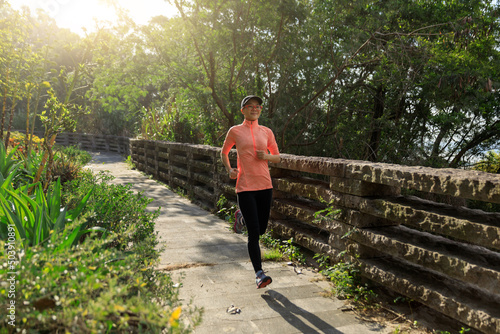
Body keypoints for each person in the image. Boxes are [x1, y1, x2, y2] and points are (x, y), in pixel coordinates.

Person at [221, 95, 281, 289]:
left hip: (265, 185)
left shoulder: (266, 132)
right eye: (250, 106)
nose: (255, 109)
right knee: (254, 233)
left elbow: (278, 157)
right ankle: (259, 274)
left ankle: (242, 217)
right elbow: (223, 152)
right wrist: (229, 169)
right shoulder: (235, 131)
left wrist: (267, 156)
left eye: (258, 106)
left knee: (261, 228)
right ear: (243, 110)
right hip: (245, 187)